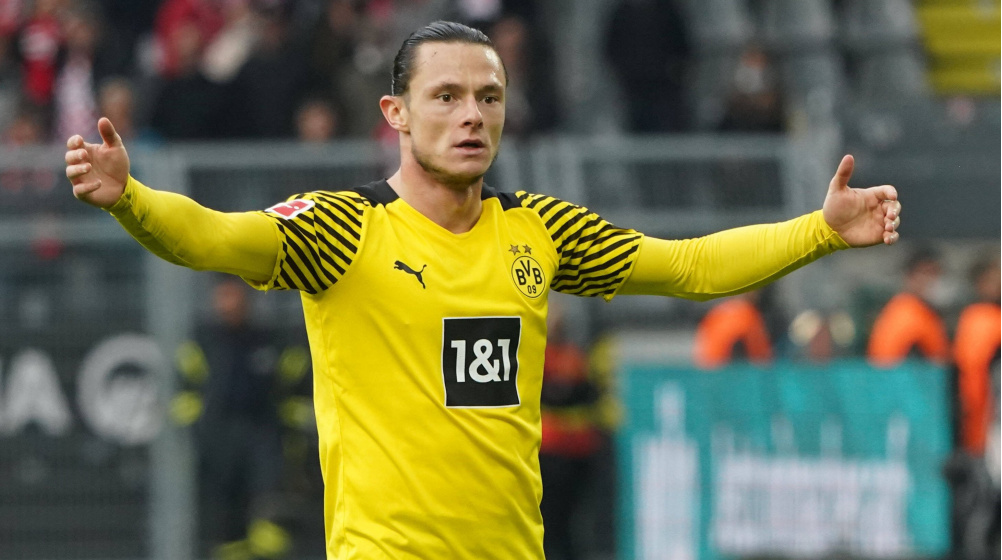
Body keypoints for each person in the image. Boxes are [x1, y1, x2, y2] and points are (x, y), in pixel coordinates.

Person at [64, 21, 901, 560]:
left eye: (489, 97)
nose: (473, 115)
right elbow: (214, 236)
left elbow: (687, 267)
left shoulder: (539, 229)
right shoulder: (344, 230)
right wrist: (130, 199)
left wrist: (821, 230)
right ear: (395, 112)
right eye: (447, 96)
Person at [171, 277, 311, 559]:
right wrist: (198, 431)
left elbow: (296, 388)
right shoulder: (203, 341)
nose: (227, 304)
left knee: (270, 514)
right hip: (219, 440)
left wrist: (291, 430)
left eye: (233, 296)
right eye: (222, 297)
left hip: (265, 438)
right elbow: (185, 393)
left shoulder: (270, 340)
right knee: (225, 519)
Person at [866, 247, 950, 367]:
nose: (931, 280)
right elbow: (885, 361)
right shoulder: (906, 311)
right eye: (925, 273)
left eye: (936, 273)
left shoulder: (919, 309)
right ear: (909, 277)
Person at [692, 290, 774, 369]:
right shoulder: (748, 315)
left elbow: (700, 347)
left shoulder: (716, 312)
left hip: (710, 367)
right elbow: (760, 355)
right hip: (733, 369)